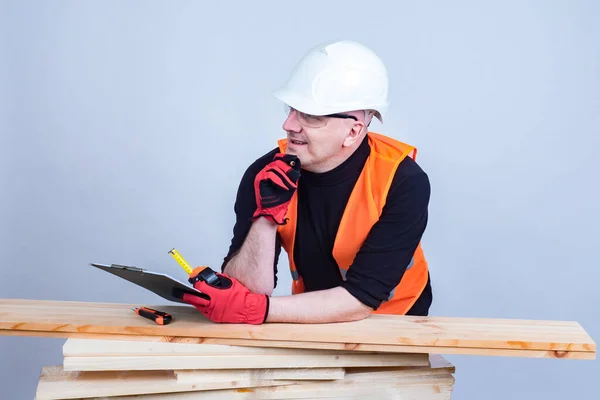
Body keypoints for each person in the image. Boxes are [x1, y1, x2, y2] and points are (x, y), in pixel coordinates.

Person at [182, 40, 432, 324]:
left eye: (310, 115)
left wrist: (261, 311)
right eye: (291, 109)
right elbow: (246, 292)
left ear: (353, 131)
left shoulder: (402, 181)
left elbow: (362, 298)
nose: (288, 125)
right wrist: (266, 219)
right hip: (311, 318)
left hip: (396, 324)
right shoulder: (267, 174)